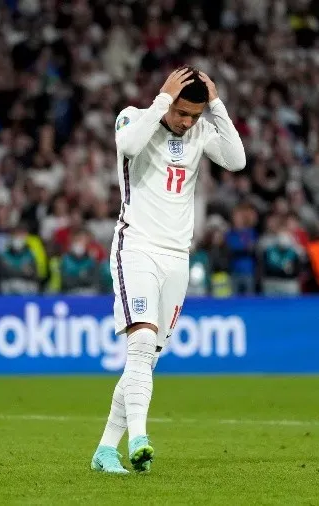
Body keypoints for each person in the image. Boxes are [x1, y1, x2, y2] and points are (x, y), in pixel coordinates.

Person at [91, 66, 246, 474]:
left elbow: (236, 160)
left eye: (194, 115)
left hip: (178, 257)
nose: (187, 121)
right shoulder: (132, 116)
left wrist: (216, 105)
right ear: (167, 99)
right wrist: (161, 100)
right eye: (182, 112)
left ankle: (106, 449)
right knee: (140, 345)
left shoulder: (198, 132)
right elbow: (128, 144)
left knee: (146, 361)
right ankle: (140, 439)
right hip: (136, 246)